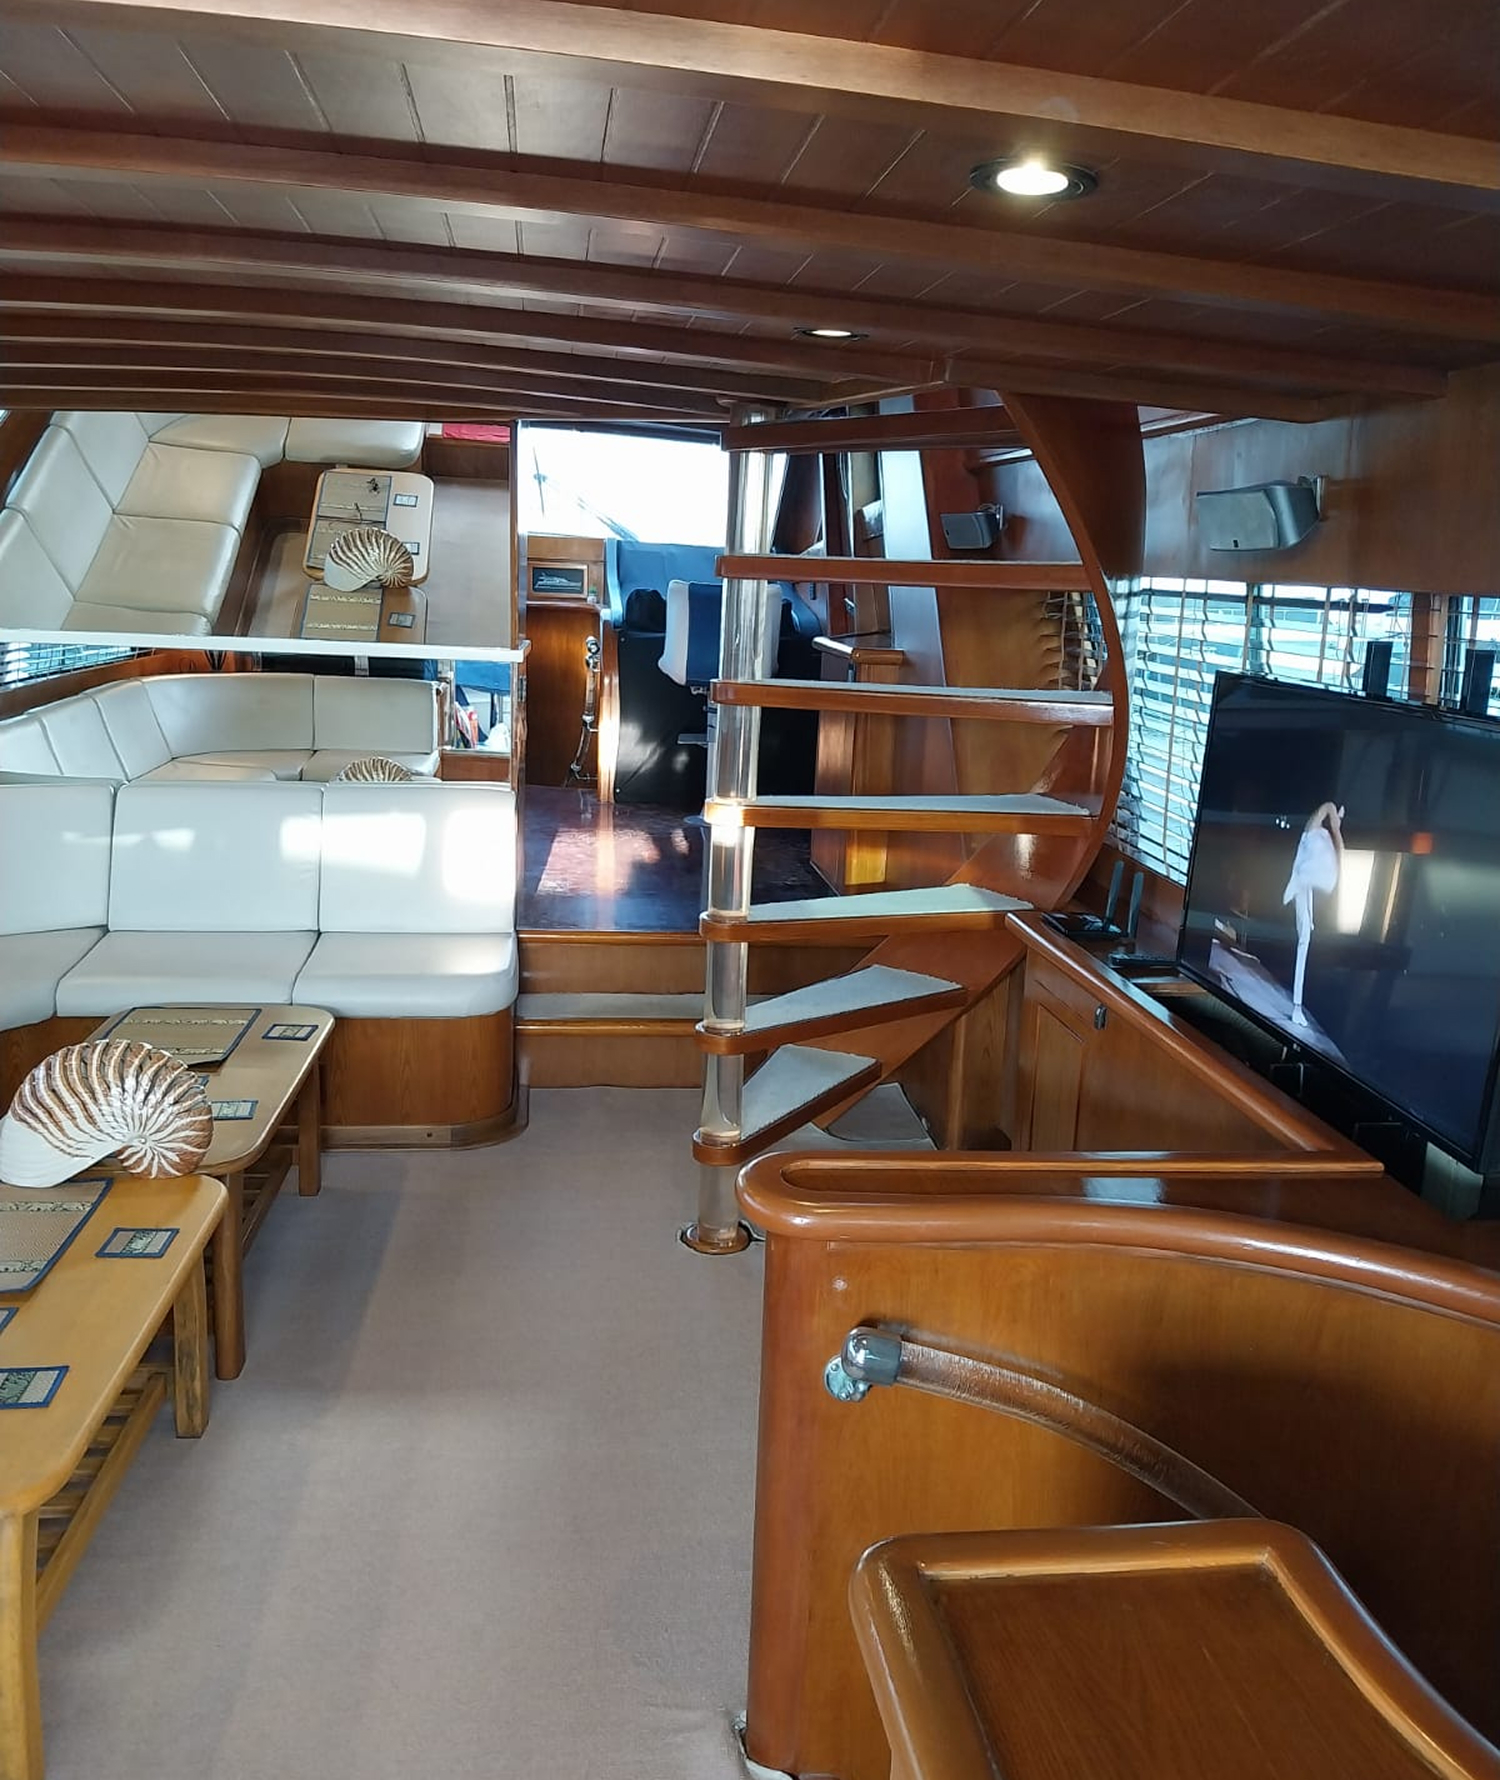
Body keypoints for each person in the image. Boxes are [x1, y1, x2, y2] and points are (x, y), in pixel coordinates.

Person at [1282, 801, 1344, 1027]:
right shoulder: (1312, 831)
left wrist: (1336, 826)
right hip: (1300, 884)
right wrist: (1334, 818)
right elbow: (1326, 808)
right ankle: (1297, 1006)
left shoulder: (1323, 837)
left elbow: (1338, 853)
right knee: (1304, 940)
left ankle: (1297, 1006)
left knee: (1306, 938)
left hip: (1306, 887)